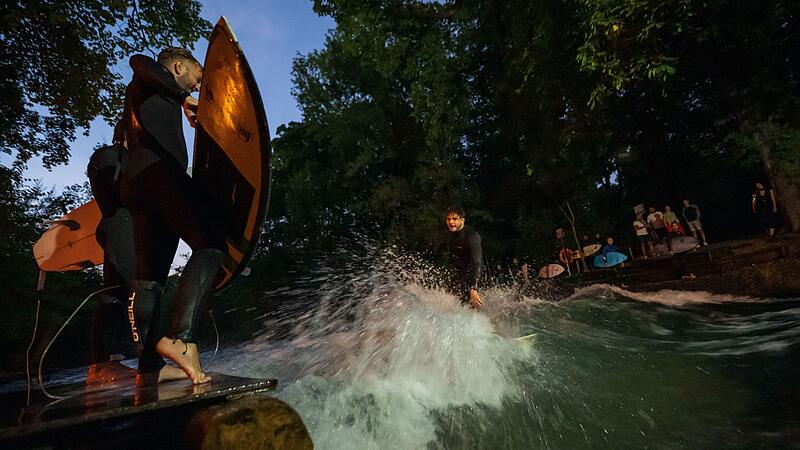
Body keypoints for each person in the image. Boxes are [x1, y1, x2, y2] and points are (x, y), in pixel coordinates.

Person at [119, 48, 227, 384]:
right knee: (210, 243)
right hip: (159, 174)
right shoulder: (147, 75)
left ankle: (149, 368)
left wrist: (181, 102)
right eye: (197, 76)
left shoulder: (143, 98)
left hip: (136, 184)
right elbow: (139, 61)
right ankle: (181, 338)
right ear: (178, 66)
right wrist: (183, 97)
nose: (197, 86)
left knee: (149, 279)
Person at [86, 123, 135, 365]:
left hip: (128, 228)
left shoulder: (130, 159)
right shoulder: (109, 155)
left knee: (118, 293)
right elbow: (127, 190)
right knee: (135, 287)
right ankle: (101, 364)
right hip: (119, 227)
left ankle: (102, 363)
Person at [444, 206, 483, 309]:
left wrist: (474, 288)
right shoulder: (451, 234)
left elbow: (477, 263)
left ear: (462, 220)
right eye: (448, 219)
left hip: (475, 275)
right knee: (453, 303)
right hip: (461, 274)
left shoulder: (472, 237)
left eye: (455, 219)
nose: (451, 222)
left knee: (473, 307)